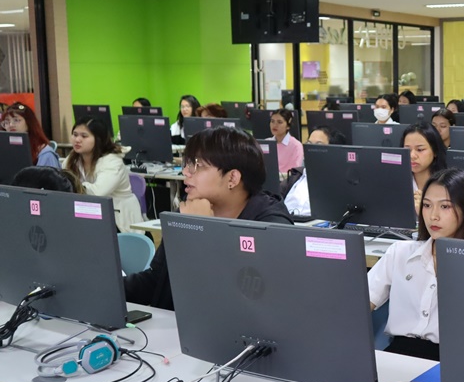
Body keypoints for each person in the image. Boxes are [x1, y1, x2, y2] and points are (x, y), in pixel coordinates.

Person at [124, 127, 292, 310]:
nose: (185, 172)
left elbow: (241, 299)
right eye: (187, 163)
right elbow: (157, 280)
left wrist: (202, 233)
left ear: (232, 178)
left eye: (197, 165)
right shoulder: (190, 212)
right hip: (176, 324)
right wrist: (110, 288)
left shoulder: (271, 228)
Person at [367, 167, 464, 361]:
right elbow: (358, 306)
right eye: (427, 205)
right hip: (398, 353)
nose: (433, 216)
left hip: (453, 360)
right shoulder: (400, 252)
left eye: (445, 206)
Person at [64, 117, 142, 233]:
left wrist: (72, 184)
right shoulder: (72, 159)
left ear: (98, 139)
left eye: (84, 136)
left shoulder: (112, 161)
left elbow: (97, 193)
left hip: (119, 222)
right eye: (75, 135)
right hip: (90, 217)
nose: (77, 140)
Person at [282, 126, 342, 217]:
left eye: (318, 145)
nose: (310, 149)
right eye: (308, 144)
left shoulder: (338, 184)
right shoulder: (295, 177)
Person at [402, 123, 447, 211]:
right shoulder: (397, 181)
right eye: (407, 150)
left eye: (420, 150)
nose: (412, 155)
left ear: (435, 151)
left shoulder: (448, 185)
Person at [1, 101, 60, 168]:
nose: (11, 125)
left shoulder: (45, 153)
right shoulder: (5, 150)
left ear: (29, 123)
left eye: (16, 120)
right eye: (7, 122)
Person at [268, 108, 303, 174]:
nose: (274, 125)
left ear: (288, 126)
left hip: (287, 179)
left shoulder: (296, 146)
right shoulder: (267, 143)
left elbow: (295, 172)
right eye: (272, 121)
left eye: (279, 122)